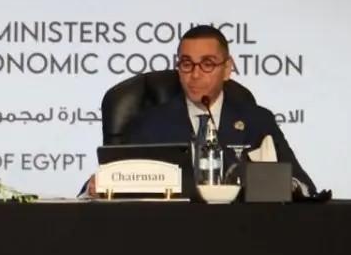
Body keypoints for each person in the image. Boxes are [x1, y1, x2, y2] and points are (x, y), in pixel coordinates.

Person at [84, 25, 315, 197]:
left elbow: (304, 186)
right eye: (187, 64)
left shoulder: (257, 121)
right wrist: (94, 187)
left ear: (227, 68)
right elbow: (109, 180)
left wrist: (284, 186)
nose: (195, 74)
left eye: (207, 64)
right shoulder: (149, 124)